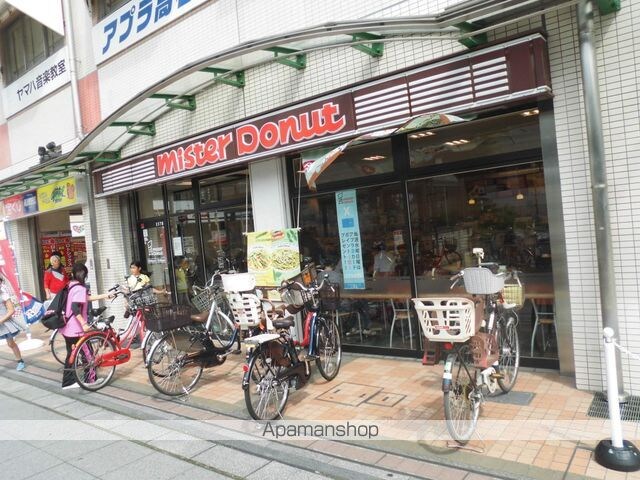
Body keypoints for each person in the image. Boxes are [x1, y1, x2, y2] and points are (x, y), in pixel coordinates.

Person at [60, 263, 114, 389]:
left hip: (67, 328)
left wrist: (105, 296)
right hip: (76, 329)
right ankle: (90, 380)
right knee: (88, 354)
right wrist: (83, 324)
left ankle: (68, 382)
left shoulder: (71, 285)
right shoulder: (79, 288)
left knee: (71, 354)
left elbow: (86, 298)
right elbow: (75, 308)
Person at [0, 276, 25, 371]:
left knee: (10, 343)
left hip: (5, 322)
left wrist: (1, 320)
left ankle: (20, 361)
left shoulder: (4, 295)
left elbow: (11, 310)